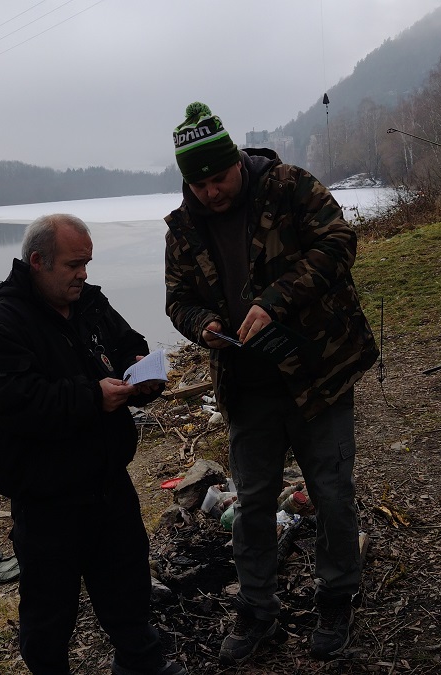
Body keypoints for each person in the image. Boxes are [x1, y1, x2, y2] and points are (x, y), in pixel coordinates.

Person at [162, 102, 378, 664]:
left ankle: (336, 596)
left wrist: (275, 303)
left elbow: (339, 244)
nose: (210, 192)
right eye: (198, 182)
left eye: (219, 177)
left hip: (318, 373)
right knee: (253, 502)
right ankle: (257, 608)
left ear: (236, 160)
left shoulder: (288, 186)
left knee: (332, 495)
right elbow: (177, 300)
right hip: (247, 385)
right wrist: (201, 325)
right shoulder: (183, 227)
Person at [0, 214, 185, 675]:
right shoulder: (0, 327)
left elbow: (128, 342)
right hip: (48, 500)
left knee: (128, 587)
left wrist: (141, 369)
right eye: (74, 264)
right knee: (50, 616)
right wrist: (94, 397)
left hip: (108, 482)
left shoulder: (90, 303)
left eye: (87, 262)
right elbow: (18, 404)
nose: (84, 273)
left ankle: (140, 665)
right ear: (38, 262)